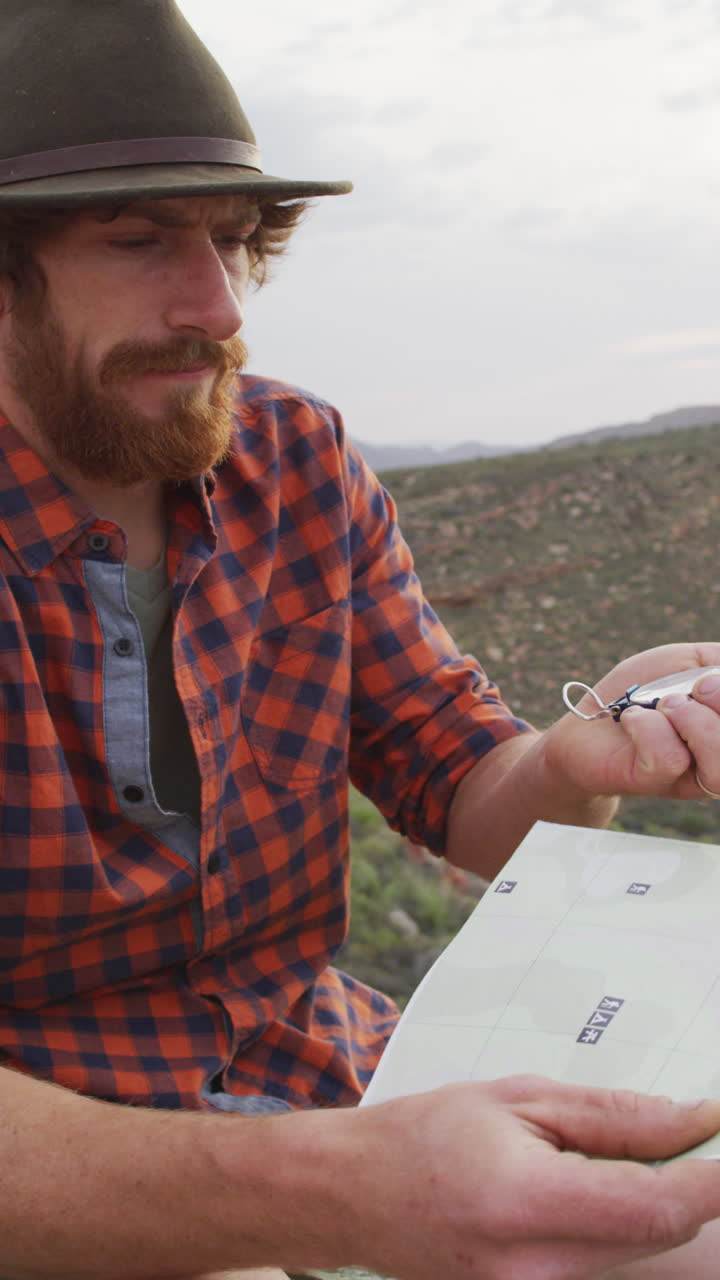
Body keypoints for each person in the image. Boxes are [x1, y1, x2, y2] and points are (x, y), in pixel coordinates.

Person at [2, 2, 720, 1278]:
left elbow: (462, 787)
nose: (217, 307)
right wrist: (319, 1194)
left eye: (231, 242)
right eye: (136, 240)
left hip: (343, 1086)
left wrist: (574, 760)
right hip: (82, 1186)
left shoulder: (298, 461)